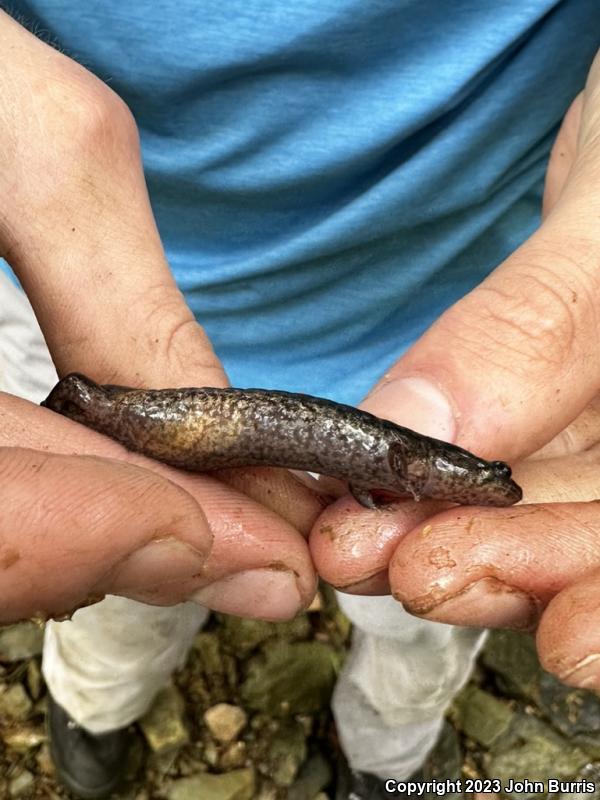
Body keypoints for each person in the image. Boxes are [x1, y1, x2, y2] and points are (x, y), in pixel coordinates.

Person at [0, 2, 599, 797]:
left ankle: (387, 761)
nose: (487, 485)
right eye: (476, 474)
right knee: (120, 563)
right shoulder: (410, 461)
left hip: (451, 306)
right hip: (61, 284)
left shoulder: (426, 476)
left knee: (422, 602)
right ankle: (94, 706)